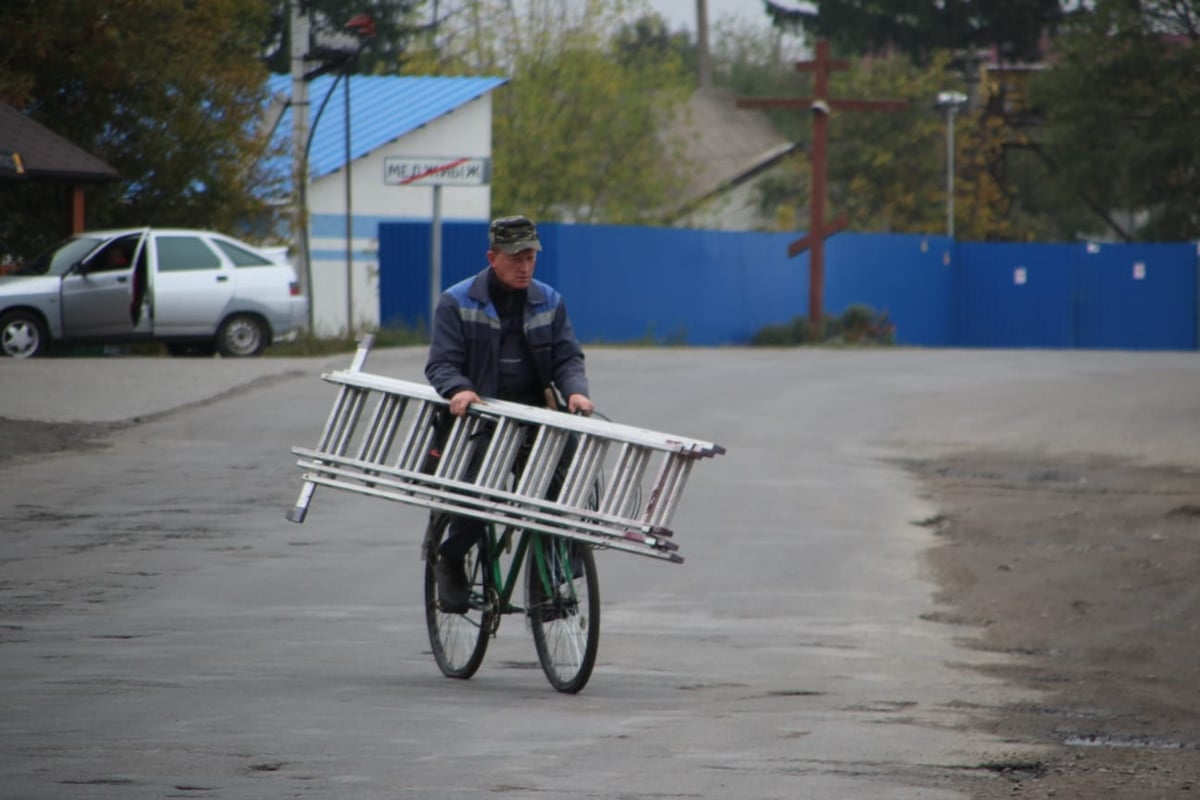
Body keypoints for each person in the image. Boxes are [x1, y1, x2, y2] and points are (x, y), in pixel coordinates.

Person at [425, 214, 593, 613]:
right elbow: (441, 364)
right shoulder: (457, 301)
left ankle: (551, 573)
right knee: (476, 491)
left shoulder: (549, 301)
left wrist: (576, 394)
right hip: (479, 420)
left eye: (531, 257)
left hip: (534, 416)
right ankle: (450, 560)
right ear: (493, 257)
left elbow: (568, 359)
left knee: (568, 477)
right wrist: (461, 389)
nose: (525, 266)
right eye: (516, 257)